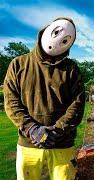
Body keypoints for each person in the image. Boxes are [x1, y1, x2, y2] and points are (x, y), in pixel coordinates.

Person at [3, 17, 85, 180]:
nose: (59, 39)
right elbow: (11, 101)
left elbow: (78, 103)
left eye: (66, 39)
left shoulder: (71, 69)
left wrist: (57, 130)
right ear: (46, 30)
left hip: (62, 144)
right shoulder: (18, 64)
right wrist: (32, 129)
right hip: (28, 144)